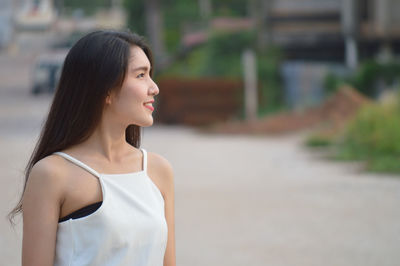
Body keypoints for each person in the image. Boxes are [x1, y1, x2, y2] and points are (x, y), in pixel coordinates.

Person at [8, 30, 176, 266]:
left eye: (150, 74)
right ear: (105, 89)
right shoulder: (52, 174)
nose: (154, 87)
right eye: (141, 75)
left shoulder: (158, 170)